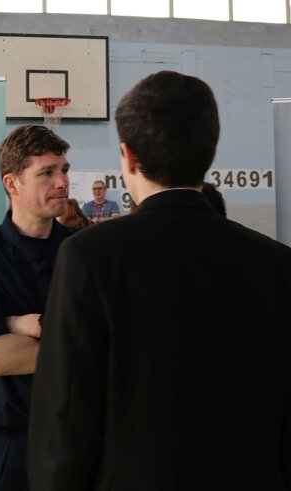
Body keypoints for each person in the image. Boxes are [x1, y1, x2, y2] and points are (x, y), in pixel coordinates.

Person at [28, 70, 291, 490]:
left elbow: (66, 421)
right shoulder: (276, 263)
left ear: (128, 157)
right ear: (211, 153)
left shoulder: (89, 256)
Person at [0, 124, 75, 491]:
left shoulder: (86, 253)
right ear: (12, 184)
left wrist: (17, 325)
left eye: (64, 170)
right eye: (47, 173)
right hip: (8, 444)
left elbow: (110, 341)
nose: (62, 182)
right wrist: (74, 343)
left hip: (77, 435)